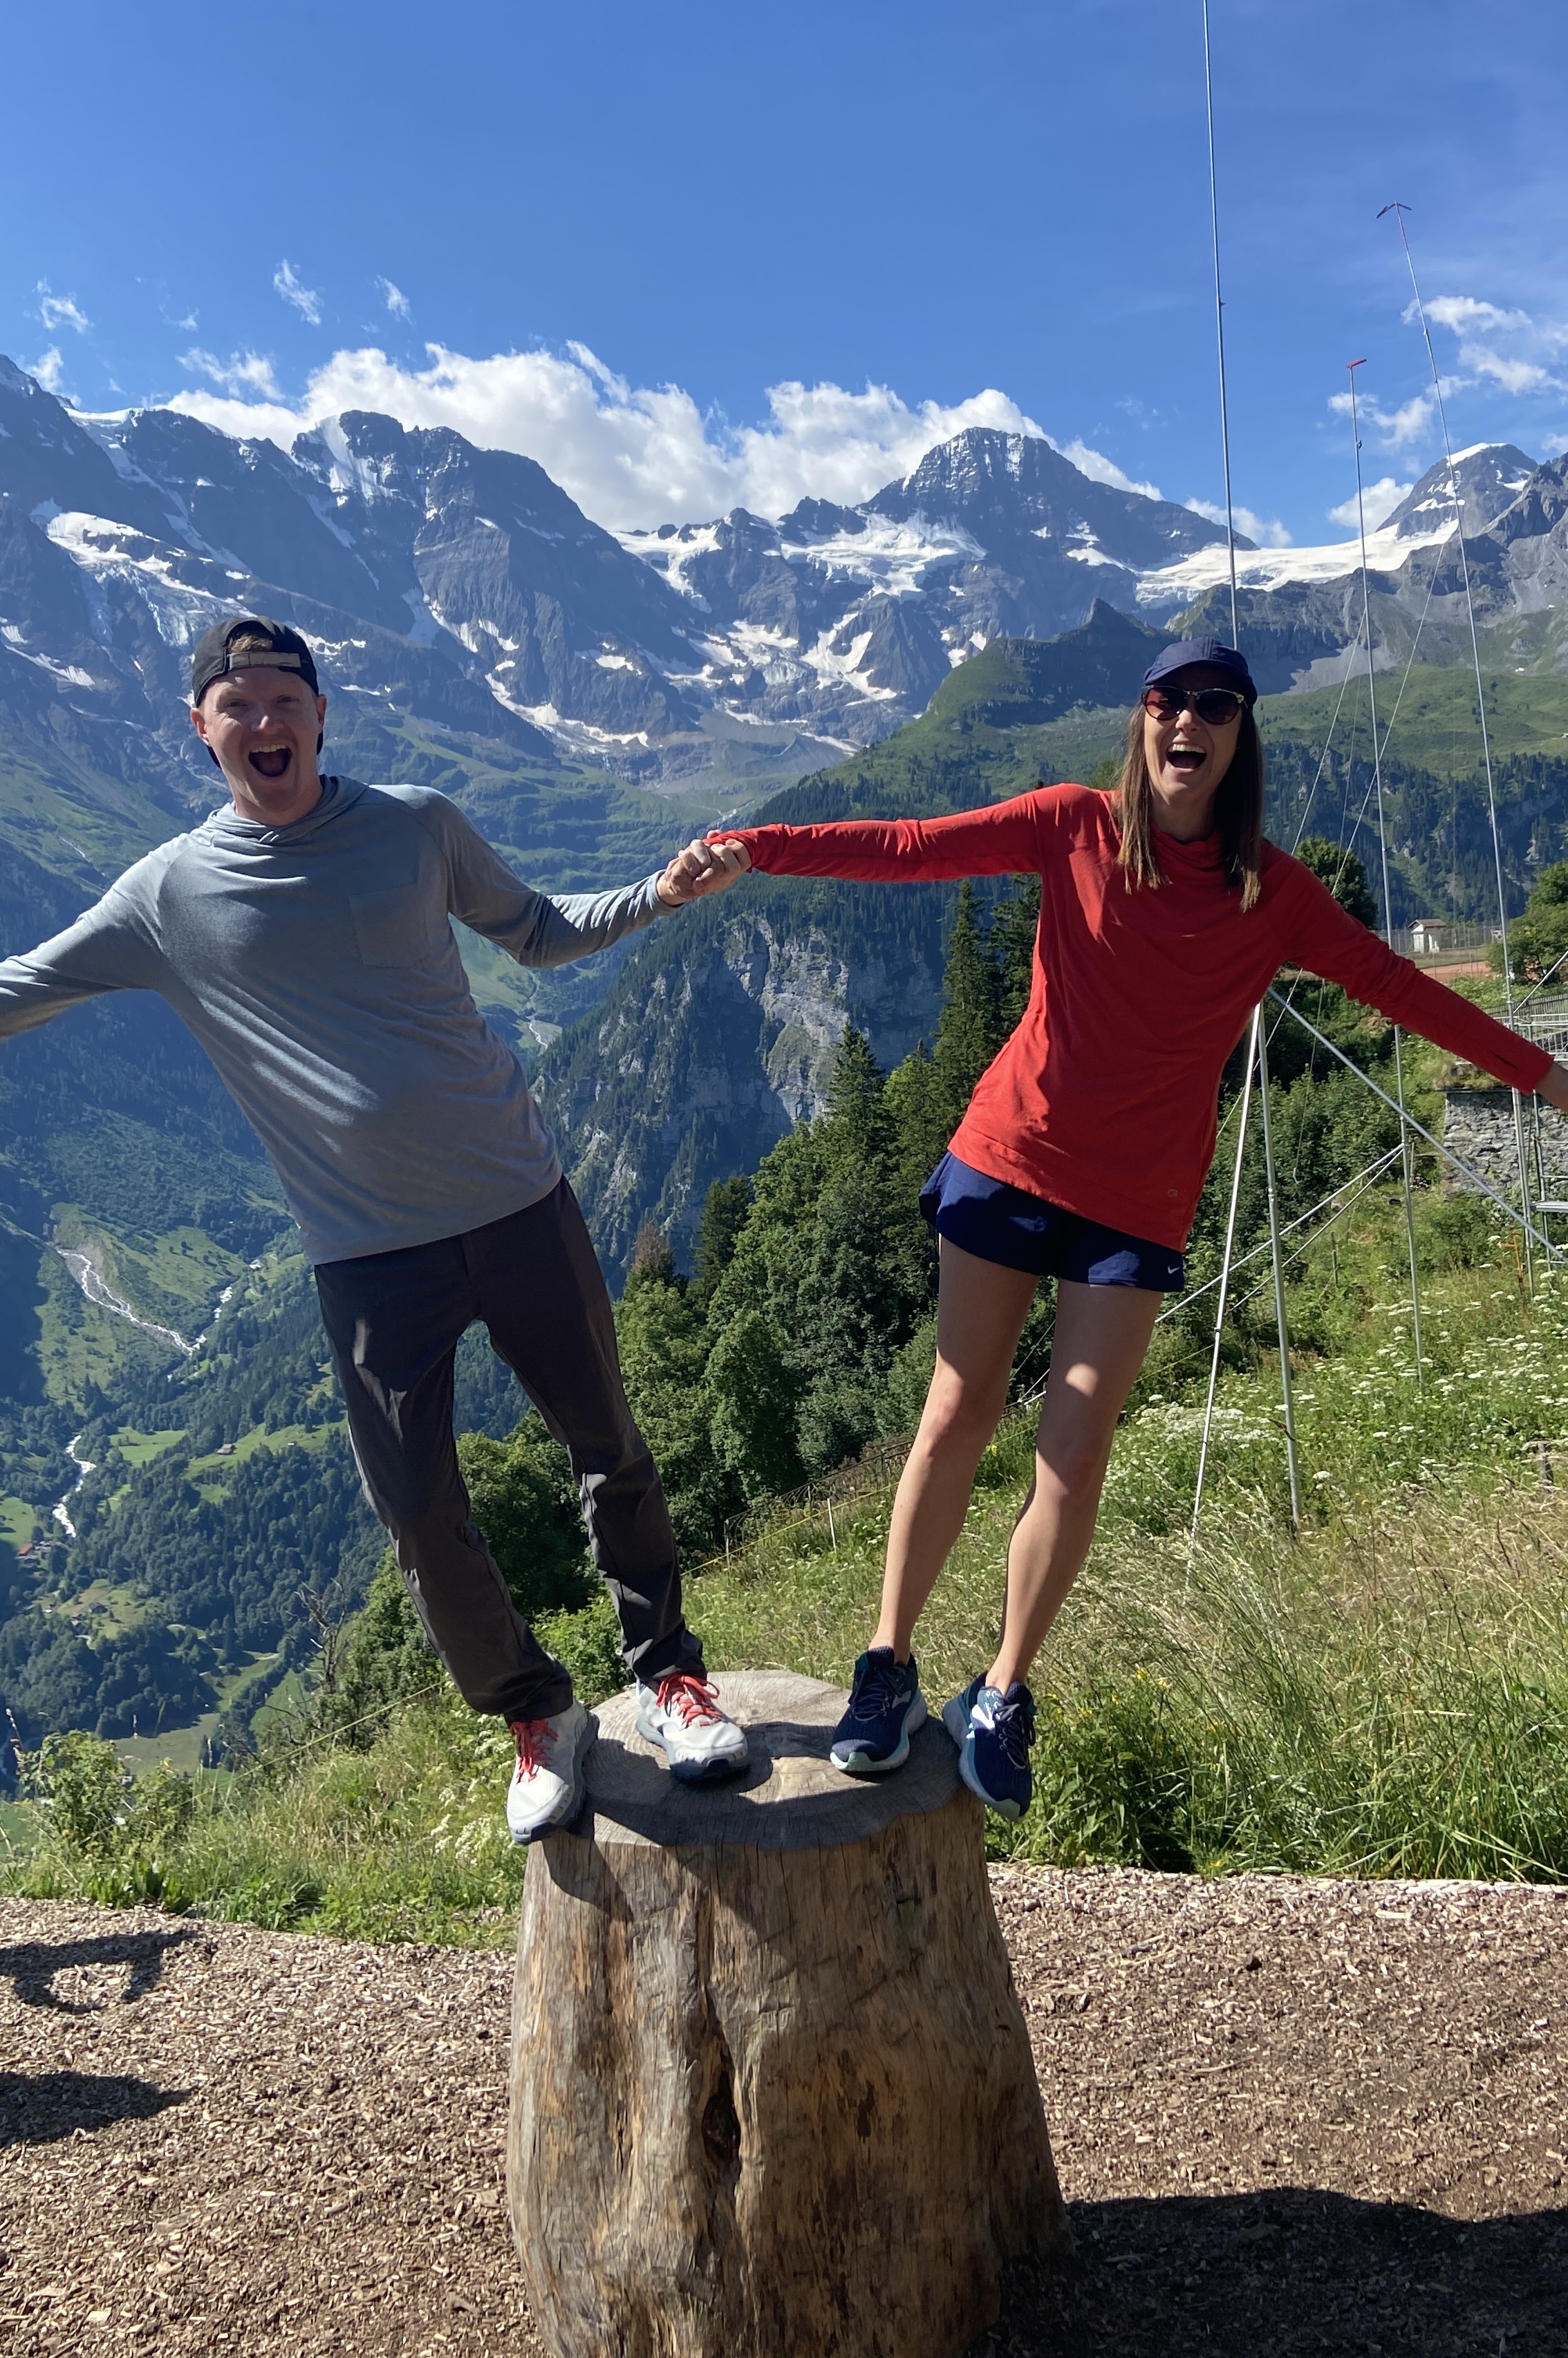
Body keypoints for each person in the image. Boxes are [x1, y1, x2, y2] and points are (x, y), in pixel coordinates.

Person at [709, 636, 1568, 1819]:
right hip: (1008, 1159)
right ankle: (887, 1666)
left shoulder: (1275, 895)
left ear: (1238, 737)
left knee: (1077, 1442)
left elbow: (1398, 988)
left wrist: (1540, 1074)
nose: (1188, 723)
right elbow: (916, 849)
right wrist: (756, 849)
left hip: (1134, 1203)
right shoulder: (1071, 827)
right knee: (956, 1412)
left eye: (1214, 707)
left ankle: (1004, 1689)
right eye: (1169, 702)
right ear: (1142, 722)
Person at [0, 614, 751, 1841]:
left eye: (284, 697)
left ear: (321, 714)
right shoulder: (165, 895)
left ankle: (668, 1673)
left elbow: (538, 933)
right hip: (361, 1254)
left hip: (516, 1197)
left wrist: (662, 891)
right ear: (201, 729)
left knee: (608, 1445)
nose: (264, 722)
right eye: (236, 704)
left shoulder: (417, 825)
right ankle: (537, 1714)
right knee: (415, 1508)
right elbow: (21, 988)